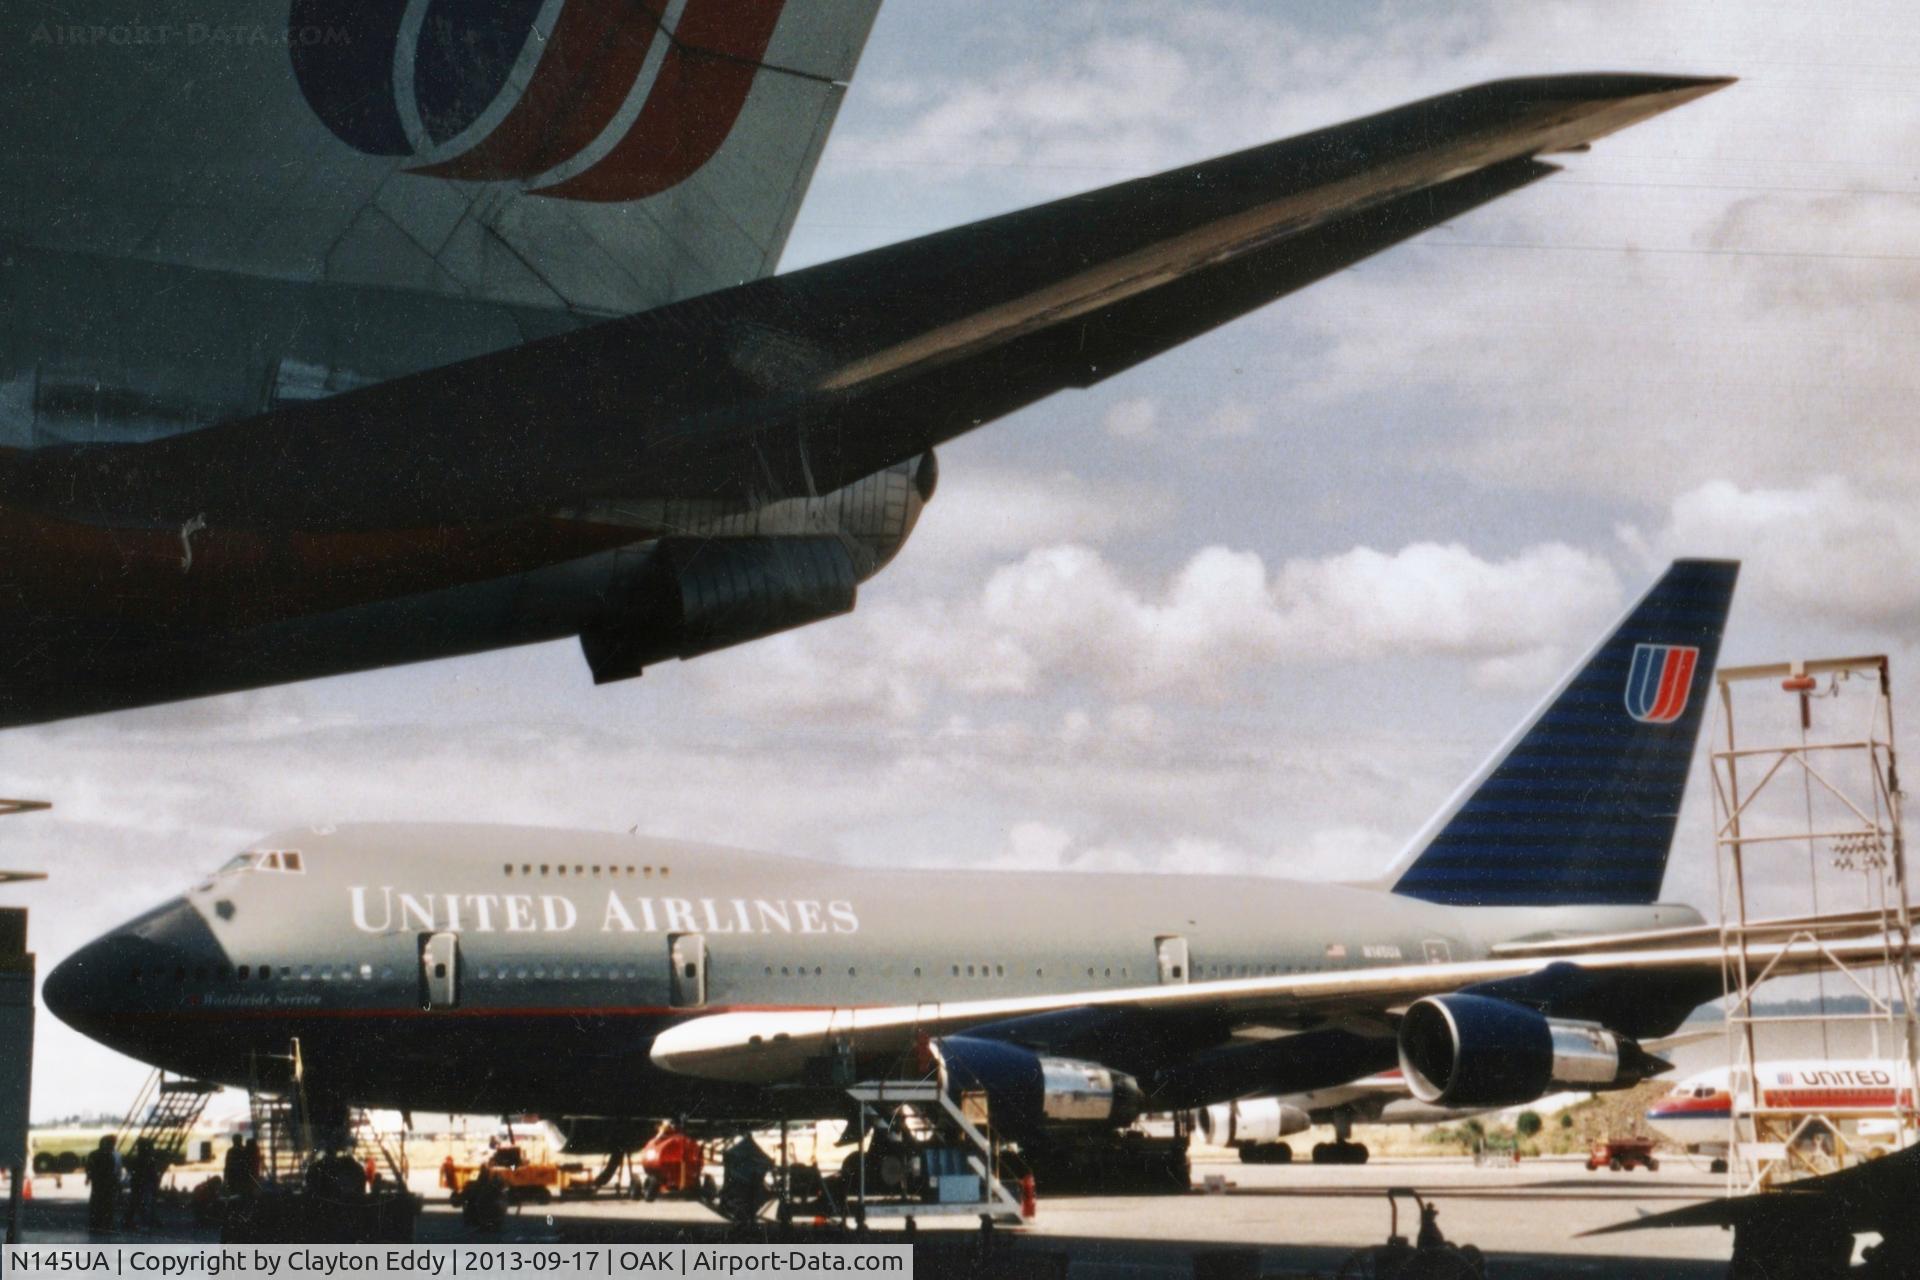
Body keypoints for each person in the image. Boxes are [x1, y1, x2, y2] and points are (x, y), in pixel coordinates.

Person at [83, 1136, 118, 1234]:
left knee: (96, 1204)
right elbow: (112, 1170)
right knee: (107, 1205)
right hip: (105, 1183)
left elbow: (89, 1168)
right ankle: (106, 1225)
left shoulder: (94, 1154)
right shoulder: (109, 1155)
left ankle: (95, 1225)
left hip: (97, 1183)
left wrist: (88, 1178)